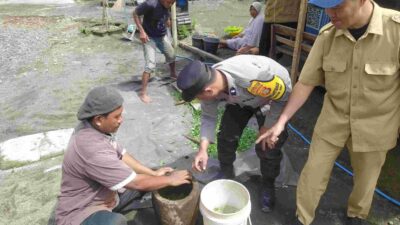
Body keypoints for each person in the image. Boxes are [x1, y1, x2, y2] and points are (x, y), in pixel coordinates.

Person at [256, 0, 400, 224]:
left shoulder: (396, 30)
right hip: (333, 120)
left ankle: (356, 215)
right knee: (313, 173)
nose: (329, 13)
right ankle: (302, 217)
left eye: (337, 6)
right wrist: (281, 122)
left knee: (366, 180)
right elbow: (305, 83)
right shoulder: (328, 35)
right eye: (325, 6)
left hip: (376, 127)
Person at [55, 86, 191, 225]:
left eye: (121, 114)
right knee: (116, 222)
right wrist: (170, 180)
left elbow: (122, 154)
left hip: (108, 194)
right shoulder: (90, 147)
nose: (121, 120)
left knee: (152, 178)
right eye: (116, 117)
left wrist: (154, 174)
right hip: (83, 209)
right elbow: (136, 182)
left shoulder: (94, 128)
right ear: (99, 119)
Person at [177, 55, 293, 213]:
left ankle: (268, 184)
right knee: (226, 137)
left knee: (268, 147)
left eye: (199, 97)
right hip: (239, 101)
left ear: (208, 91)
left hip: (271, 99)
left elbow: (283, 96)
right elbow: (208, 117)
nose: (200, 100)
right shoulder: (208, 82)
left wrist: (268, 126)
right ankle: (226, 171)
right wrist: (203, 150)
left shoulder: (252, 77)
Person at [133, 0, 177, 103]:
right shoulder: (150, 4)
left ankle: (173, 74)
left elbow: (165, 11)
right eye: (169, 2)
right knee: (150, 65)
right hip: (149, 37)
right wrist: (142, 32)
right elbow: (135, 13)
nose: (170, 4)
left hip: (161, 36)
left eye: (172, 3)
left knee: (172, 55)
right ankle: (143, 93)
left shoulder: (167, 4)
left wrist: (167, 19)